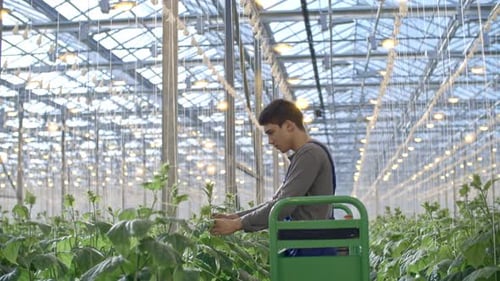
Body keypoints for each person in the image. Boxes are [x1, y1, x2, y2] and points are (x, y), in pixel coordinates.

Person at [210, 98, 336, 236]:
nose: (270, 141)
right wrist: (234, 217)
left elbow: (284, 205)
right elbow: (278, 202)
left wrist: (237, 224)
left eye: (271, 132)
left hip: (311, 242)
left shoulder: (309, 154)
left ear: (289, 126)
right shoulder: (307, 153)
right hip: (309, 238)